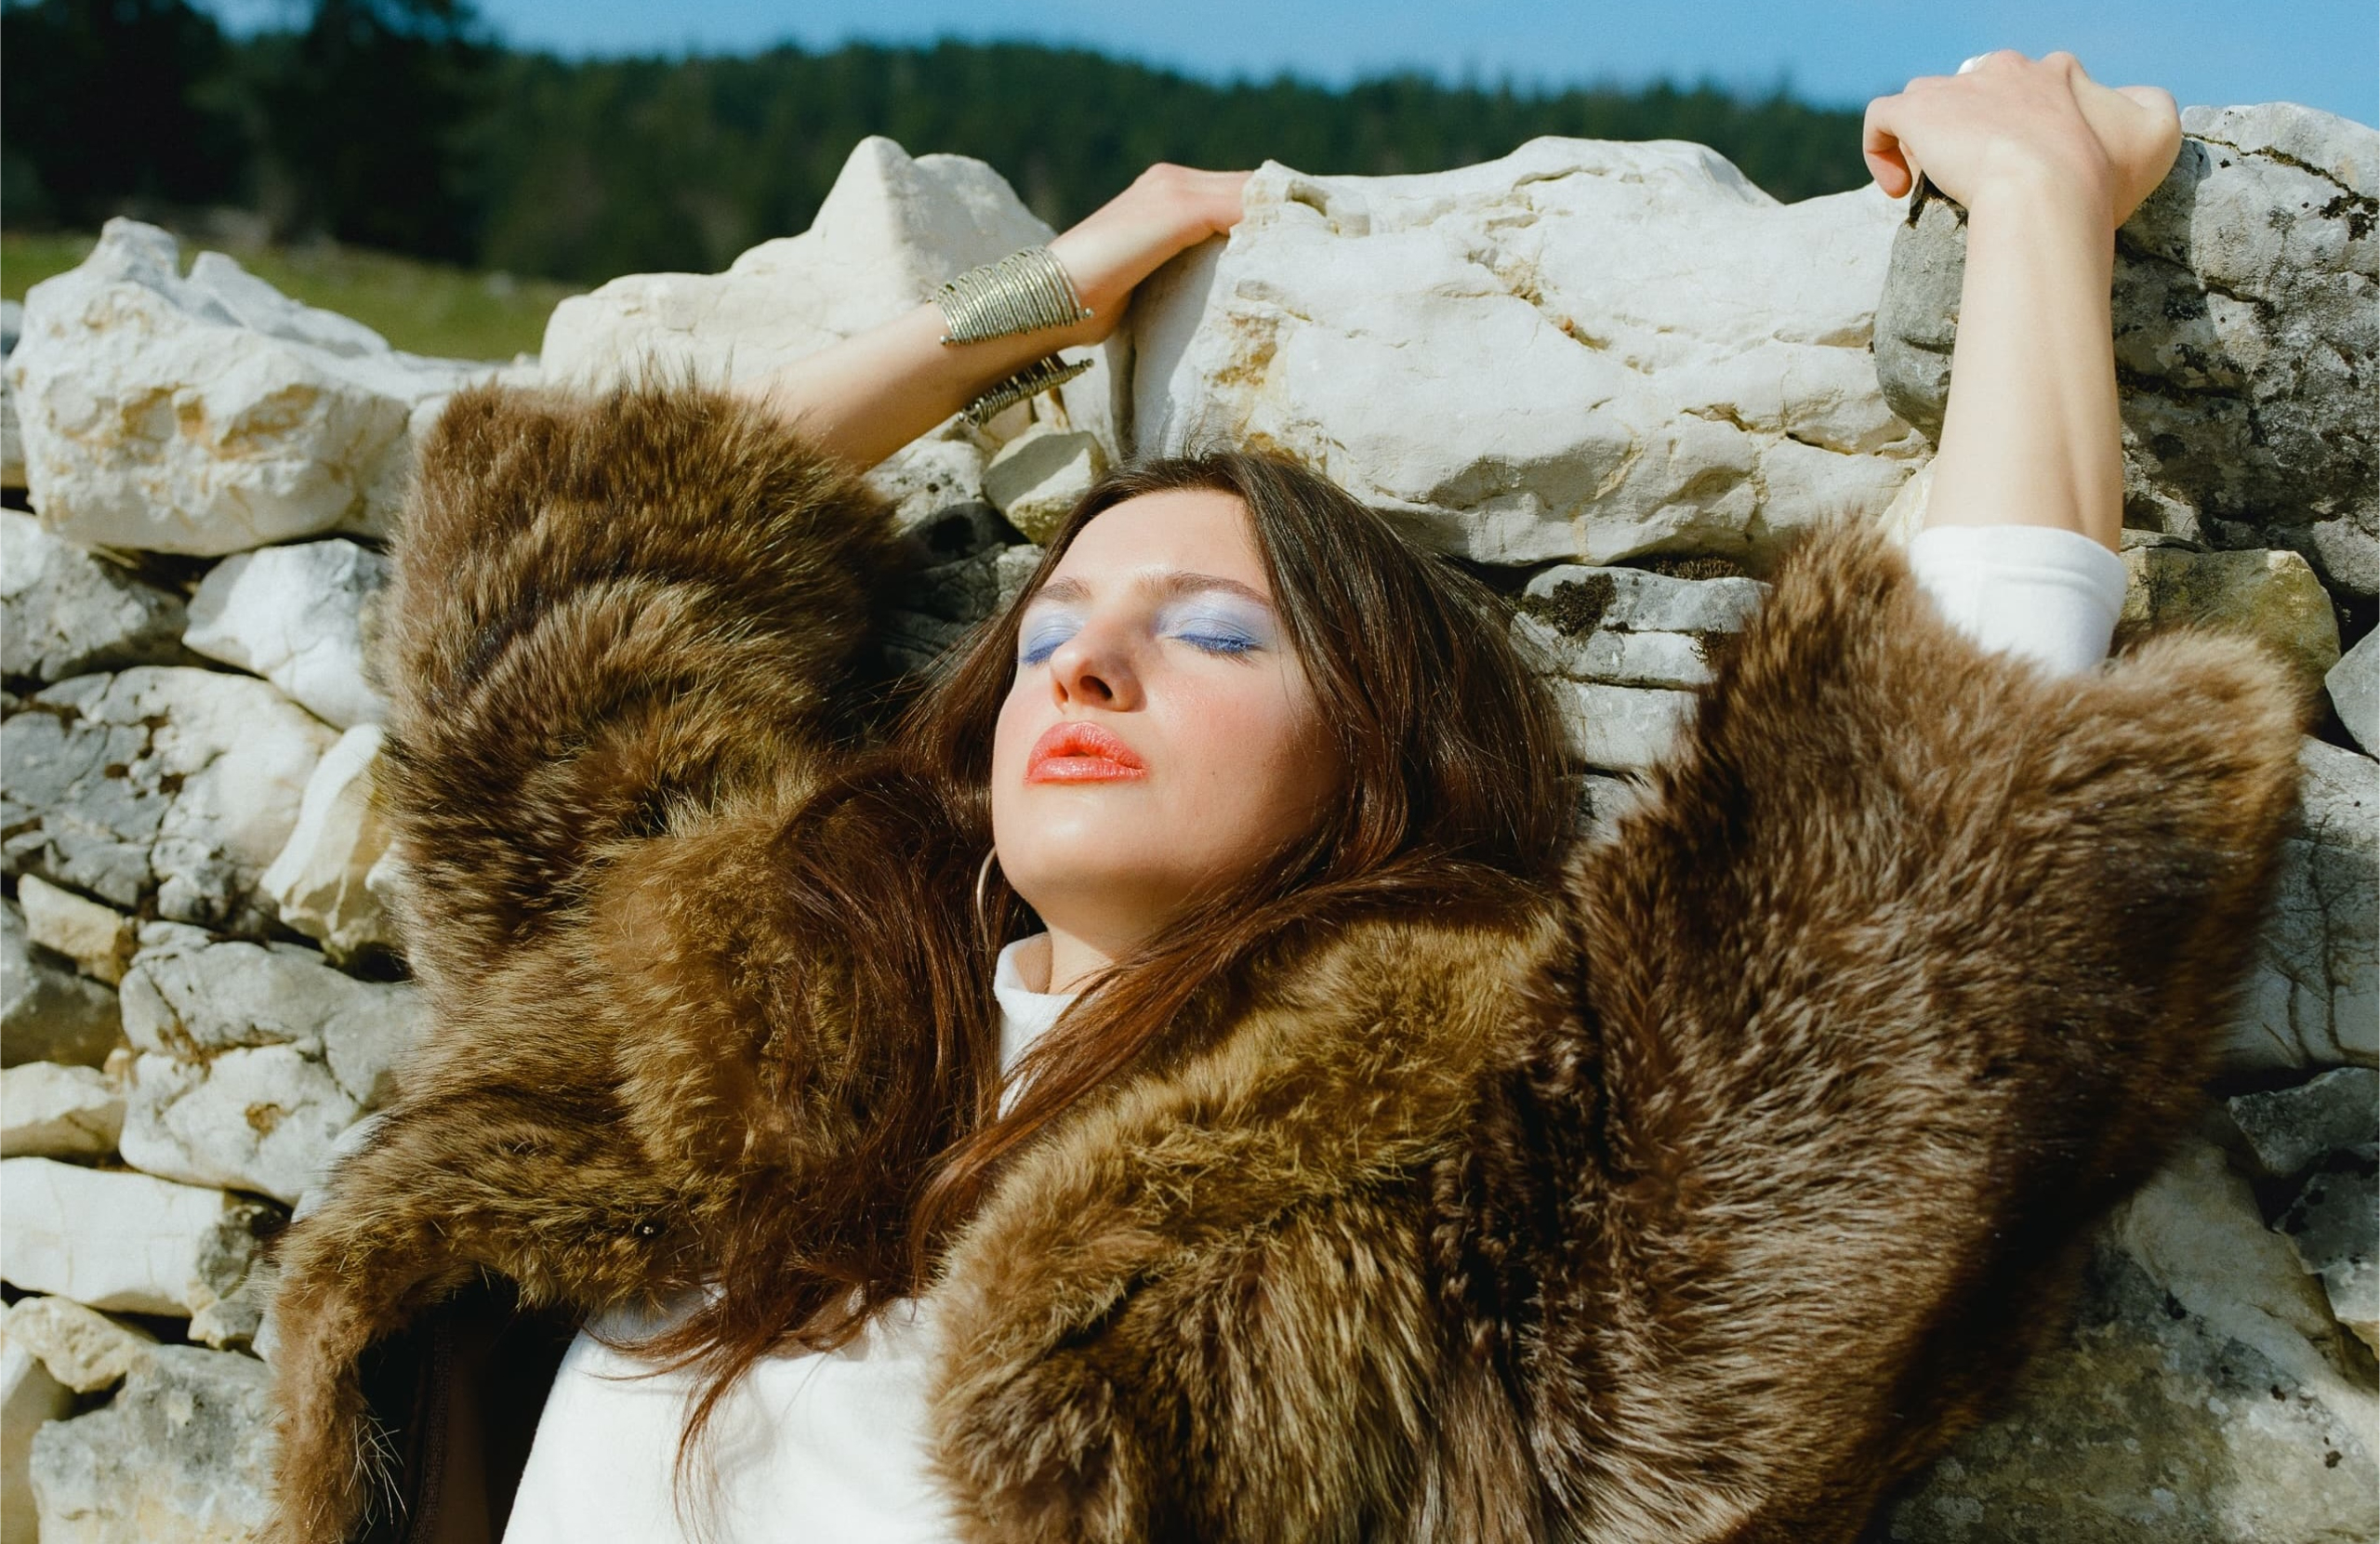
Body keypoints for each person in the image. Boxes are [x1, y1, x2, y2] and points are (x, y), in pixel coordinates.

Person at [261, 50, 2309, 1544]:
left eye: (1217, 632)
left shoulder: (1443, 1203)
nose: (1086, 664)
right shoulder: (726, 1005)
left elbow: (1915, 878)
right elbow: (576, 587)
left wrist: (2038, 205)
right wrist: (1053, 292)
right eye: (1052, 629)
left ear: (1377, 767)